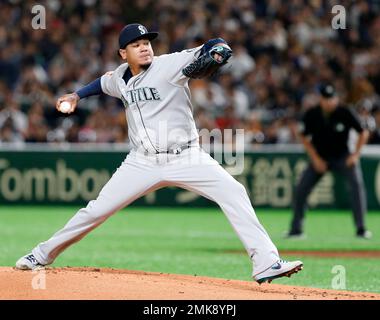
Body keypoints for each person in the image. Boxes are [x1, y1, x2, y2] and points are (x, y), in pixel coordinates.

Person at [16, 23, 303, 284]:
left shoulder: (171, 64)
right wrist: (76, 95)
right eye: (136, 44)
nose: (144, 47)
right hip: (141, 161)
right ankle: (40, 255)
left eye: (147, 42)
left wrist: (218, 50)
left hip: (186, 157)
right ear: (122, 53)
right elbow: (101, 84)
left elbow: (213, 45)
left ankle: (266, 263)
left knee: (234, 191)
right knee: (96, 211)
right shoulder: (119, 78)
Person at [287, 83, 371, 239]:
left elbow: (363, 132)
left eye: (332, 98)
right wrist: (315, 159)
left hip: (342, 157)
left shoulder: (344, 112)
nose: (329, 102)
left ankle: (361, 229)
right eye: (326, 99)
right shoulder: (312, 113)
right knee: (301, 189)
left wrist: (355, 155)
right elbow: (303, 136)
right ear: (321, 99)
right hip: (321, 157)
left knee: (357, 186)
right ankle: (296, 229)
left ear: (336, 98)